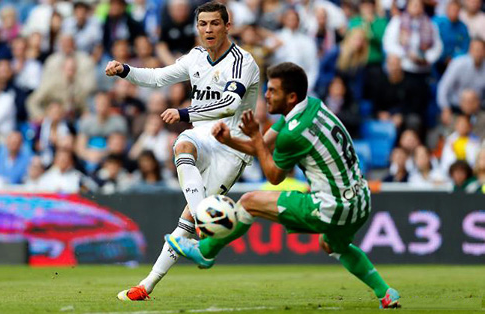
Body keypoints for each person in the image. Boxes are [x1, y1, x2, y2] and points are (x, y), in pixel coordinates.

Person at [166, 62, 400, 309]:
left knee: (248, 202)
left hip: (332, 206)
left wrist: (254, 138)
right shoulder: (311, 106)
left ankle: (206, 251)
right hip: (361, 201)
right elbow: (263, 146)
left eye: (273, 91)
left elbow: (274, 176)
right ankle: (385, 292)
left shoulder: (293, 134)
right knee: (332, 244)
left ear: (291, 97)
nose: (266, 95)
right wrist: (230, 140)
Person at [105, 1, 260, 300]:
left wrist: (184, 112)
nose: (208, 29)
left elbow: (229, 104)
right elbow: (158, 77)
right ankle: (205, 221)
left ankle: (147, 284)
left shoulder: (243, 61)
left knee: (186, 221)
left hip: (231, 144)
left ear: (228, 26)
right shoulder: (196, 56)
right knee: (182, 144)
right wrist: (126, 70)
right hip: (202, 134)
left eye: (215, 23)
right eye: (203, 24)